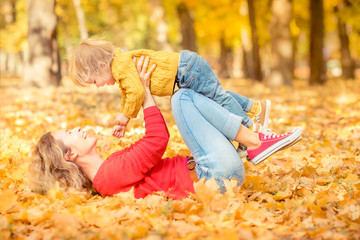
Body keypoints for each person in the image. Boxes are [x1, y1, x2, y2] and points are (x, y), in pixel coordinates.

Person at [29, 57, 302, 199]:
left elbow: (151, 144)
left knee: (189, 89)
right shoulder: (108, 177)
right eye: (69, 134)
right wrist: (146, 91)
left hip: (213, 170)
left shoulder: (110, 168)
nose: (77, 129)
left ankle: (250, 135)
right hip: (214, 177)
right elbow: (158, 139)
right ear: (70, 155)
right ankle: (255, 142)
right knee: (181, 97)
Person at [68, 38, 271, 141]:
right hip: (186, 70)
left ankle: (251, 131)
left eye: (95, 81)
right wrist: (125, 117)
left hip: (186, 70)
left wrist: (125, 116)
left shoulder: (120, 65)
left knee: (218, 99)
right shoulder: (121, 69)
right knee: (217, 96)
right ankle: (254, 106)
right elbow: (129, 92)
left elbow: (137, 93)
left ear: (102, 66)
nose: (98, 86)